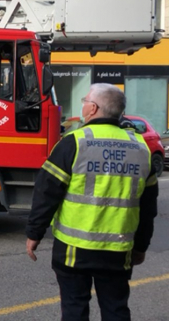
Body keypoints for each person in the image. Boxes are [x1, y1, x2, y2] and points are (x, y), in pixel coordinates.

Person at [26, 83, 158, 321]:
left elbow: (47, 192)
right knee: (116, 309)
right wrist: (141, 246)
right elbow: (148, 207)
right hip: (118, 251)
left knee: (75, 309)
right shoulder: (141, 148)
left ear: (93, 108)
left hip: (75, 249)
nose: (83, 105)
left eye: (85, 101)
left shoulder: (74, 142)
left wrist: (34, 233)